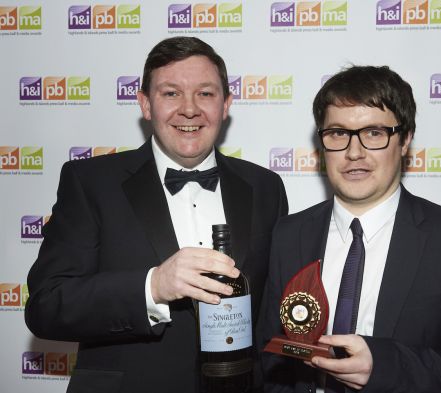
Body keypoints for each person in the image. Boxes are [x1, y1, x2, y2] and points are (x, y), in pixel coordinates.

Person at [25, 36, 288, 393]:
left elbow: (272, 310)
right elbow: (46, 305)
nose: (190, 109)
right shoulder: (90, 182)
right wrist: (153, 287)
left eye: (206, 93)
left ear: (226, 105)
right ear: (146, 105)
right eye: (171, 93)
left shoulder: (265, 186)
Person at [263, 65, 441, 393]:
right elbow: (271, 360)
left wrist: (383, 365)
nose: (353, 152)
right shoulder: (289, 235)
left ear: (404, 141)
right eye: (338, 133)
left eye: (374, 133)